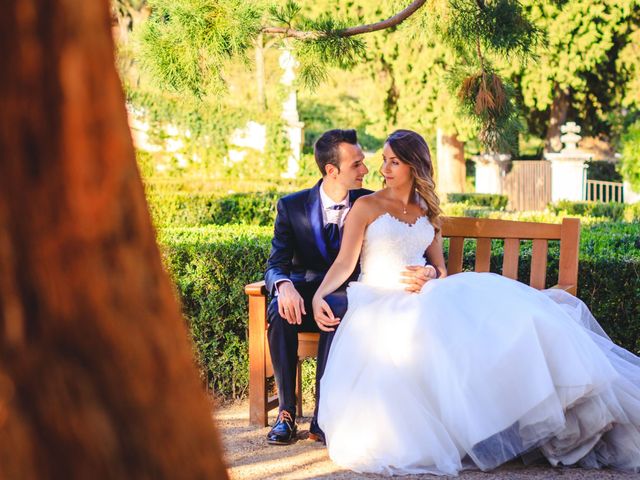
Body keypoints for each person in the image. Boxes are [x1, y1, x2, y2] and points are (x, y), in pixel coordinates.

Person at [312, 129, 640, 475]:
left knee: (525, 317)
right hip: (380, 301)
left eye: (394, 162)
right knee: (427, 334)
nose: (384, 169)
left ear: (414, 166)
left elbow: (438, 267)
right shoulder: (366, 206)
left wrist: (429, 276)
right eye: (384, 162)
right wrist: (320, 294)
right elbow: (345, 264)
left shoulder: (426, 209)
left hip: (427, 294)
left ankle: (550, 414)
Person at [264, 129, 437, 446]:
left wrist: (429, 271)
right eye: (357, 164)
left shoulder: (371, 200)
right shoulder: (292, 207)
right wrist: (283, 285)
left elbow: (424, 252)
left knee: (337, 307)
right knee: (279, 309)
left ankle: (322, 417)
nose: (367, 169)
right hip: (305, 295)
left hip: (352, 294)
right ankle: (286, 414)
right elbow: (276, 262)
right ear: (332, 170)